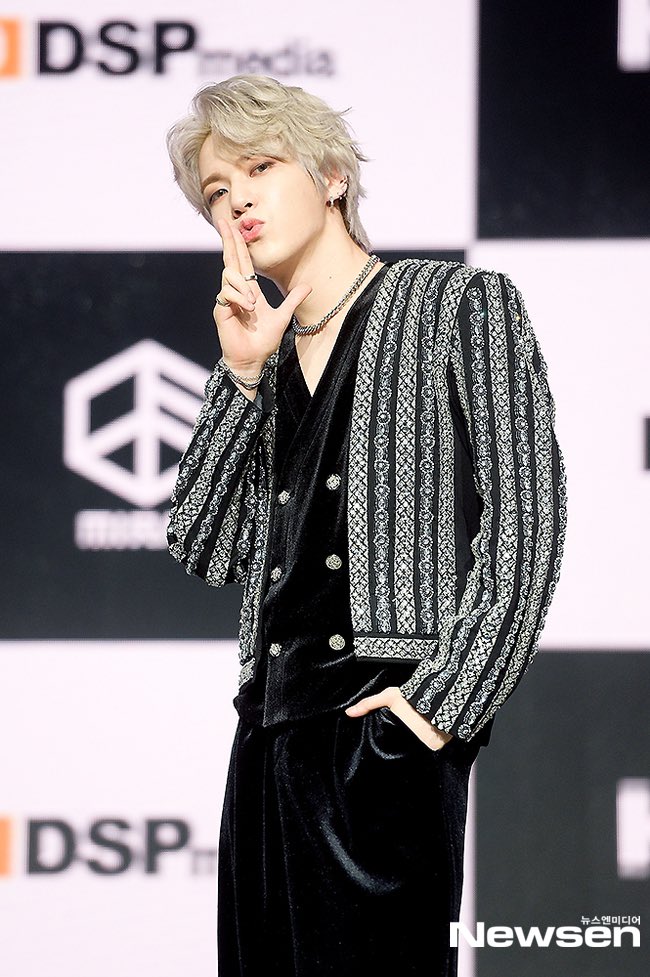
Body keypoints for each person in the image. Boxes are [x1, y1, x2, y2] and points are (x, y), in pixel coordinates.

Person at [165, 74, 567, 977]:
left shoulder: (457, 303)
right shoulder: (259, 355)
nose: (238, 203)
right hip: (265, 738)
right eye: (218, 192)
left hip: (382, 734)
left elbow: (529, 516)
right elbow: (204, 545)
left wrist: (439, 709)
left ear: (333, 176)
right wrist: (240, 378)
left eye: (260, 168)